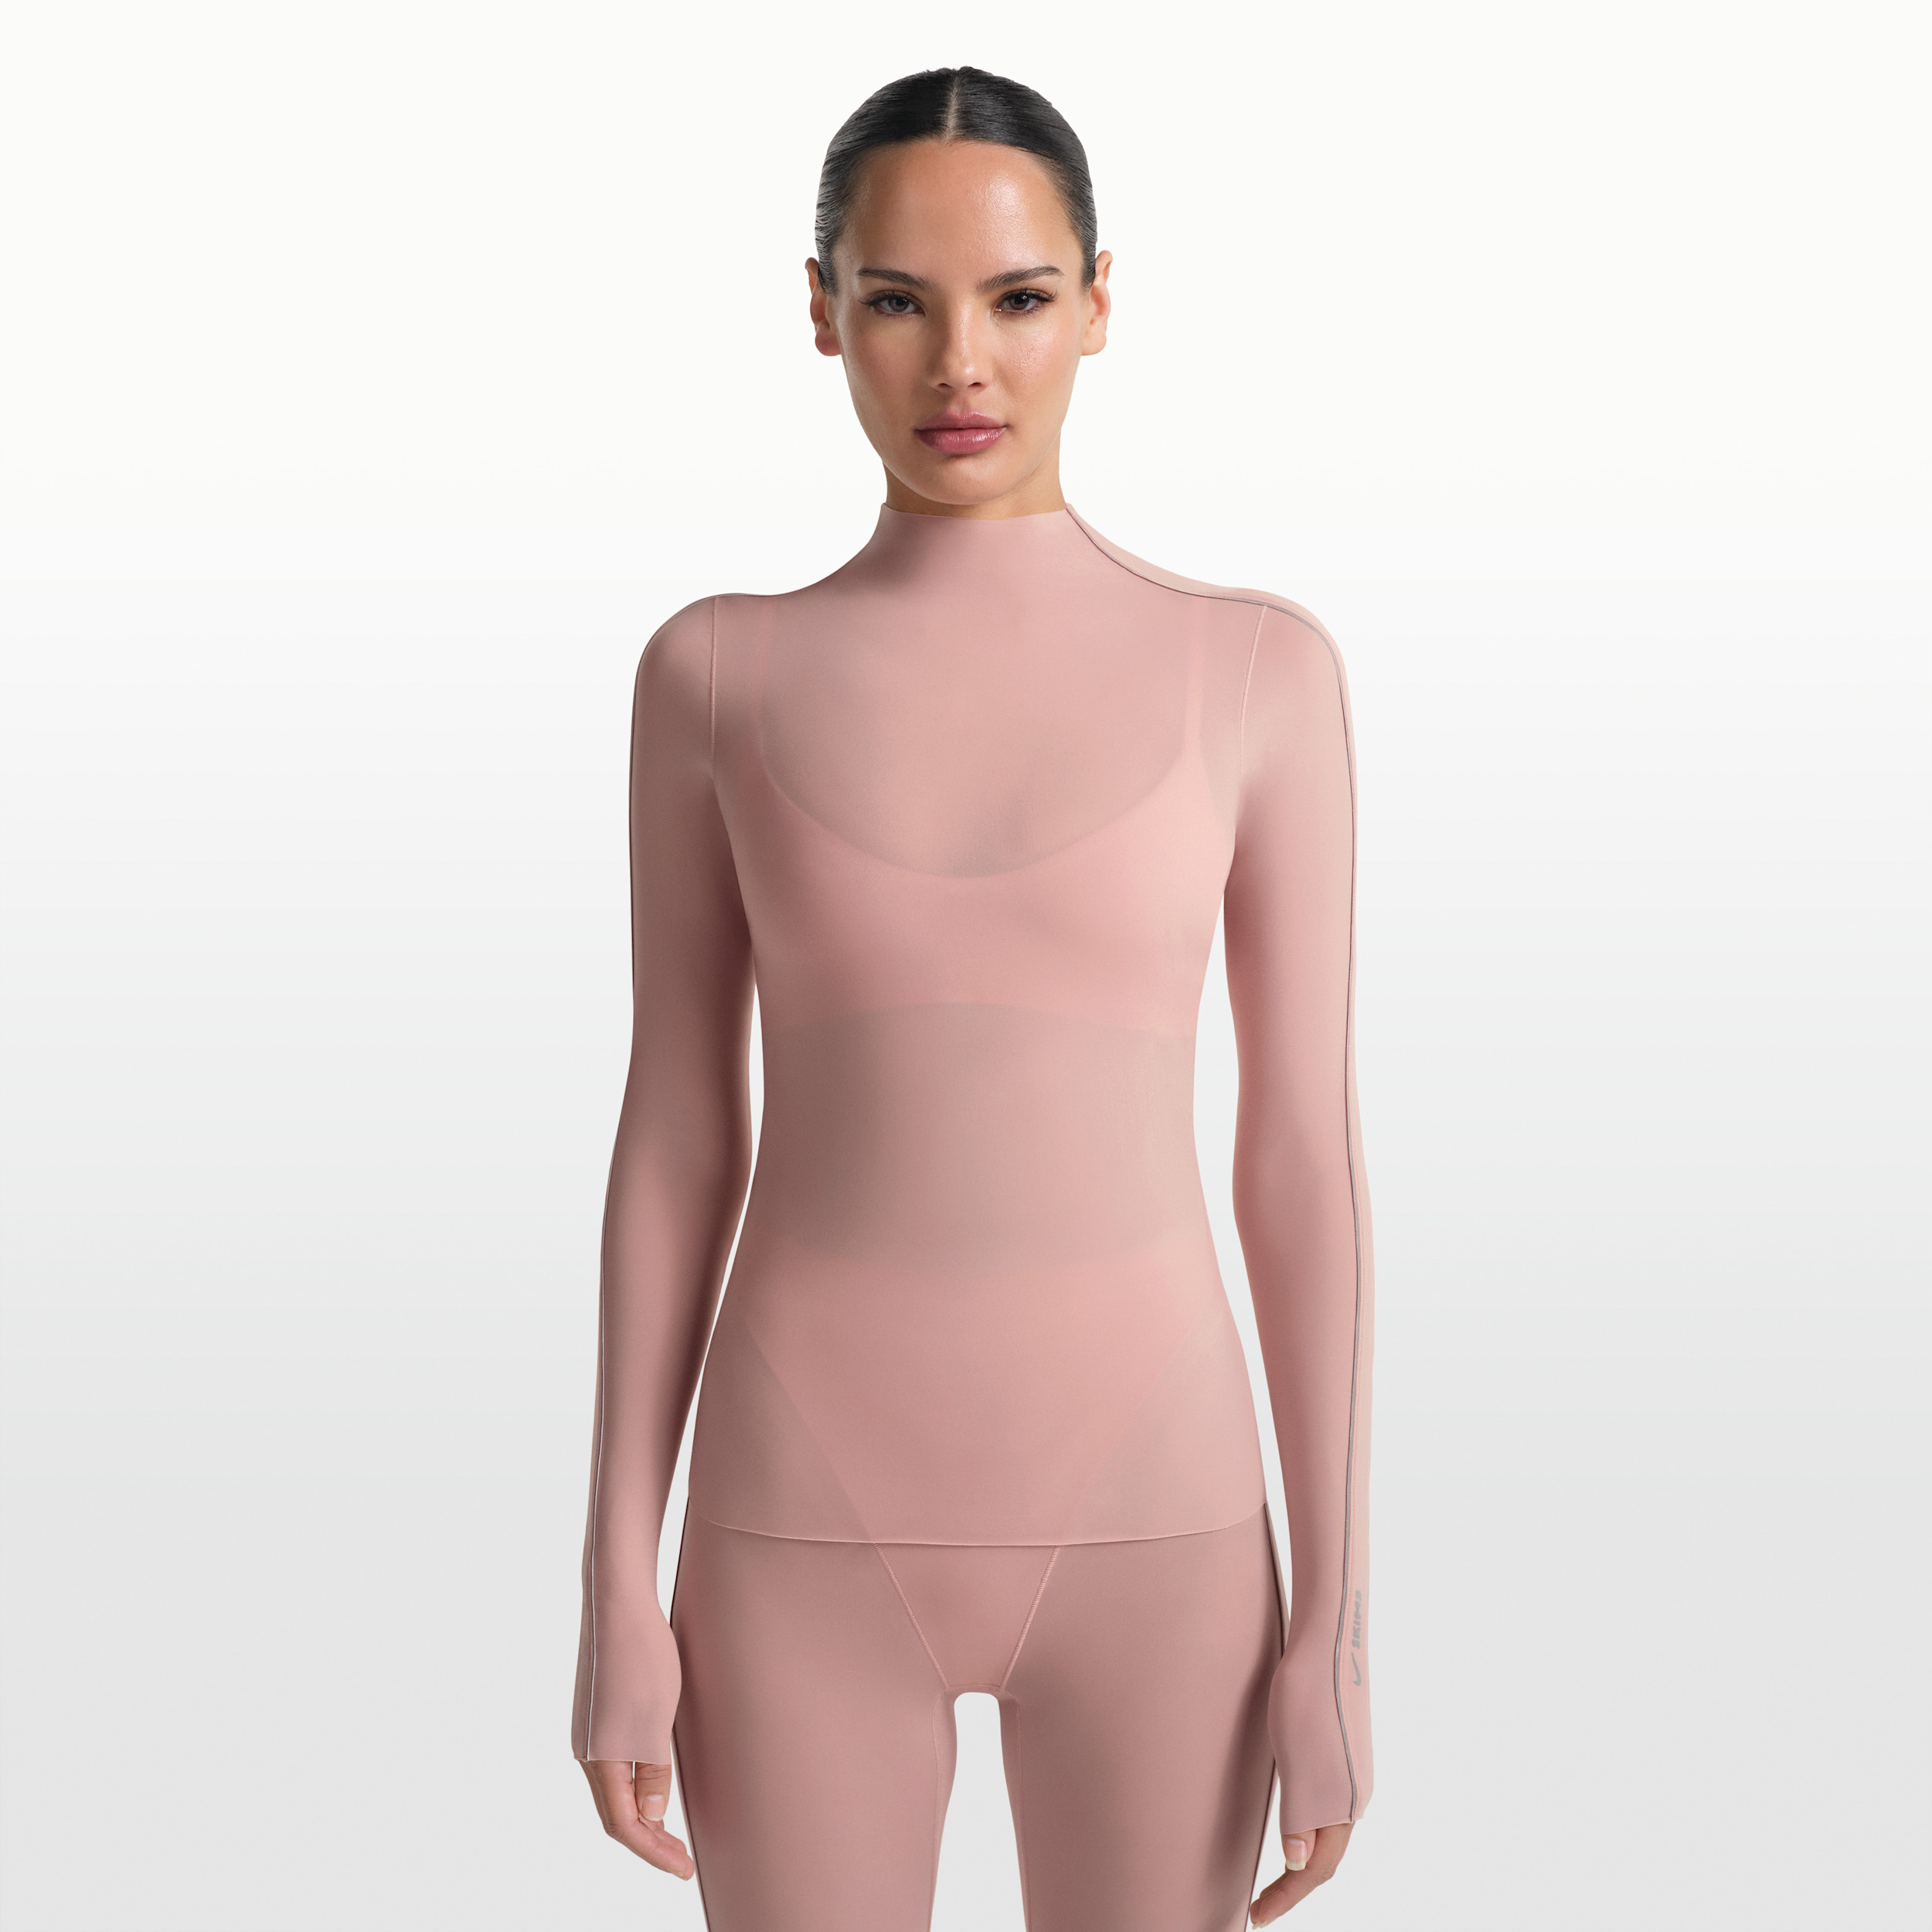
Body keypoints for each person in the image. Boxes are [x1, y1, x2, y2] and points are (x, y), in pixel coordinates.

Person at [571, 66, 1376, 1932]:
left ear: (1097, 303)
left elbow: (1298, 1159)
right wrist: (614, 1574)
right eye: (896, 298)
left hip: (1159, 1513)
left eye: (1016, 297)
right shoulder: (712, 675)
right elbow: (678, 1132)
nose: (959, 362)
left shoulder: (1254, 672)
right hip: (796, 1514)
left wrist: (1332, 1623)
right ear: (818, 310)